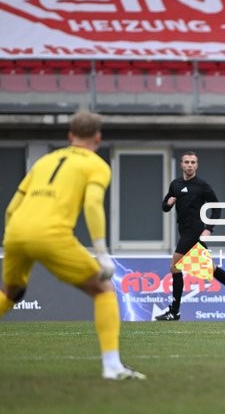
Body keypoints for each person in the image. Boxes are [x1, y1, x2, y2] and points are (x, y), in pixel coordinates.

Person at [0, 110, 145, 380]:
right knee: (103, 290)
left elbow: (11, 208)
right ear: (98, 138)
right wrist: (102, 253)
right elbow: (92, 205)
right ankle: (112, 367)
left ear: (70, 135)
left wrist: (14, 238)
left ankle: (113, 367)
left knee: (10, 294)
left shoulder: (44, 161)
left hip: (15, 231)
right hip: (51, 235)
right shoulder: (96, 165)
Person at [156, 151, 225, 321]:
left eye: (193, 162)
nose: (190, 165)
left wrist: (209, 229)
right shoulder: (175, 184)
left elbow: (217, 208)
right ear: (181, 165)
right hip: (184, 230)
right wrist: (168, 204)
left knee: (175, 266)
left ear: (197, 165)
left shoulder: (202, 186)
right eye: (187, 162)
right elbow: (164, 206)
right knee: (211, 269)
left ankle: (174, 311)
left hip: (194, 231)